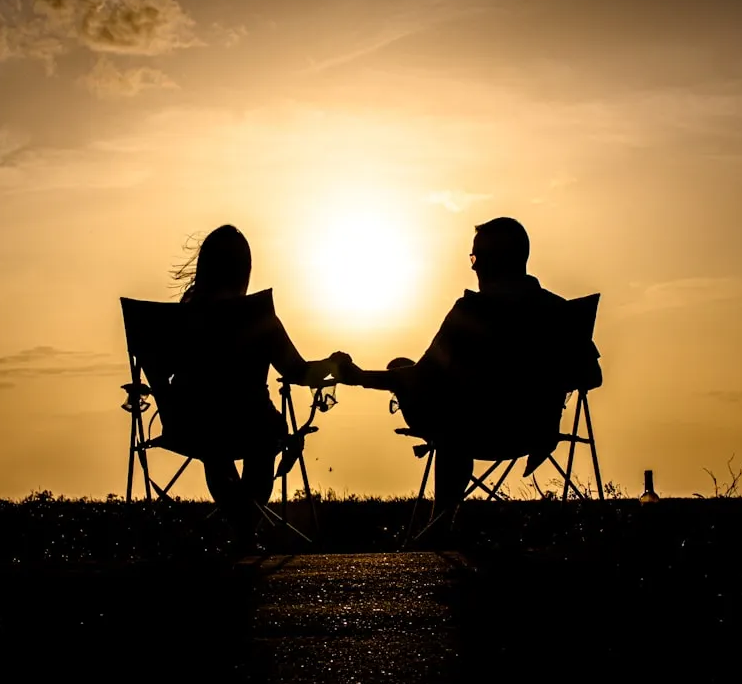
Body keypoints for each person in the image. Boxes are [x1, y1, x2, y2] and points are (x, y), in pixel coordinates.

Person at [335, 217, 601, 541]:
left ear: (492, 261)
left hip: (475, 432)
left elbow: (423, 374)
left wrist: (360, 377)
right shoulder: (562, 312)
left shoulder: (472, 311)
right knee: (455, 414)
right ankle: (442, 525)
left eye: (475, 258)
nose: (473, 268)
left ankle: (438, 527)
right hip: (534, 431)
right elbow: (592, 376)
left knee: (413, 382)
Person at [161, 224, 348, 546]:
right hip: (252, 424)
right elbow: (298, 372)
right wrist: (334, 366)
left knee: (215, 451)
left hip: (191, 423)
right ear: (243, 271)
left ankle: (239, 525)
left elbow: (161, 370)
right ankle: (246, 528)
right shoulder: (257, 316)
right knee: (262, 443)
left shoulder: (180, 320)